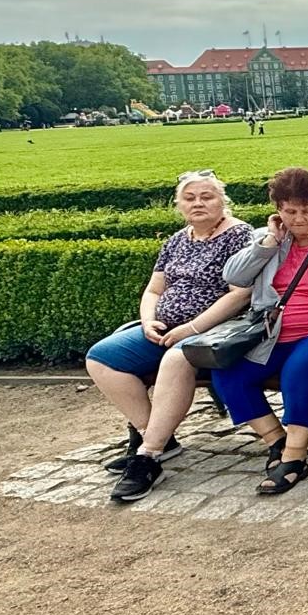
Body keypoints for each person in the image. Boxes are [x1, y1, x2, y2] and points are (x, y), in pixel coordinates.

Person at [85, 171, 252, 502]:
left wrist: (190, 329)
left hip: (213, 332)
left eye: (207, 196)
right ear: (179, 205)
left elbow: (240, 293)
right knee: (101, 358)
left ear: (223, 200)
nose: (198, 203)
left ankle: (147, 457)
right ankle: (160, 438)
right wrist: (148, 322)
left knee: (179, 357)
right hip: (163, 330)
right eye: (189, 198)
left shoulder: (239, 235)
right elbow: (154, 289)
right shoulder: (176, 240)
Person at [214, 168, 308, 493]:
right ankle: (276, 440)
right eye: (290, 211)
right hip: (272, 333)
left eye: (307, 210)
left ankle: (295, 457)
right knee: (228, 373)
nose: (299, 219)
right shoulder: (267, 242)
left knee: (301, 368)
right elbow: (233, 276)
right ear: (277, 210)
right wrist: (268, 242)